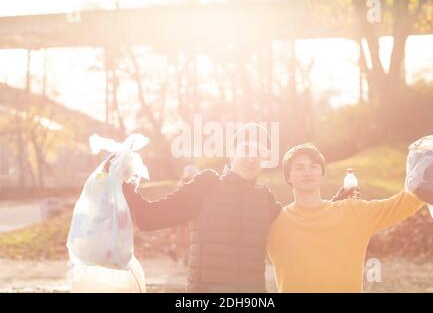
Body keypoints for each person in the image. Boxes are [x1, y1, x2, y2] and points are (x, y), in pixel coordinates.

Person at [121, 124, 353, 292]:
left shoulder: (265, 198)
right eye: (245, 150)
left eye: (258, 152)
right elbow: (149, 218)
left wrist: (337, 201)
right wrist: (125, 183)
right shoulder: (207, 184)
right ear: (232, 153)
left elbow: (302, 226)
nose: (250, 157)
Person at [266, 143, 425, 293]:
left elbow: (402, 204)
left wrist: (432, 166)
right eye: (299, 168)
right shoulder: (275, 221)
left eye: (313, 166)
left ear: (321, 173)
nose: (307, 172)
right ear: (288, 177)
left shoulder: (352, 212)